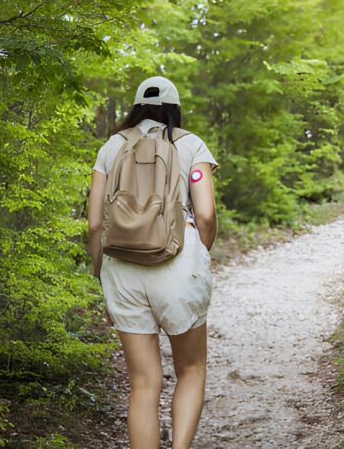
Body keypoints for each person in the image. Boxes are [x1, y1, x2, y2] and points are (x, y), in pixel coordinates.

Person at [87, 76, 219, 449]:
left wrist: (101, 275)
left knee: (143, 383)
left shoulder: (111, 147)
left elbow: (96, 222)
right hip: (178, 262)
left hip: (121, 267)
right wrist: (200, 253)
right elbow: (206, 215)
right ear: (173, 109)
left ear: (136, 107)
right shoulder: (191, 144)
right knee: (191, 370)